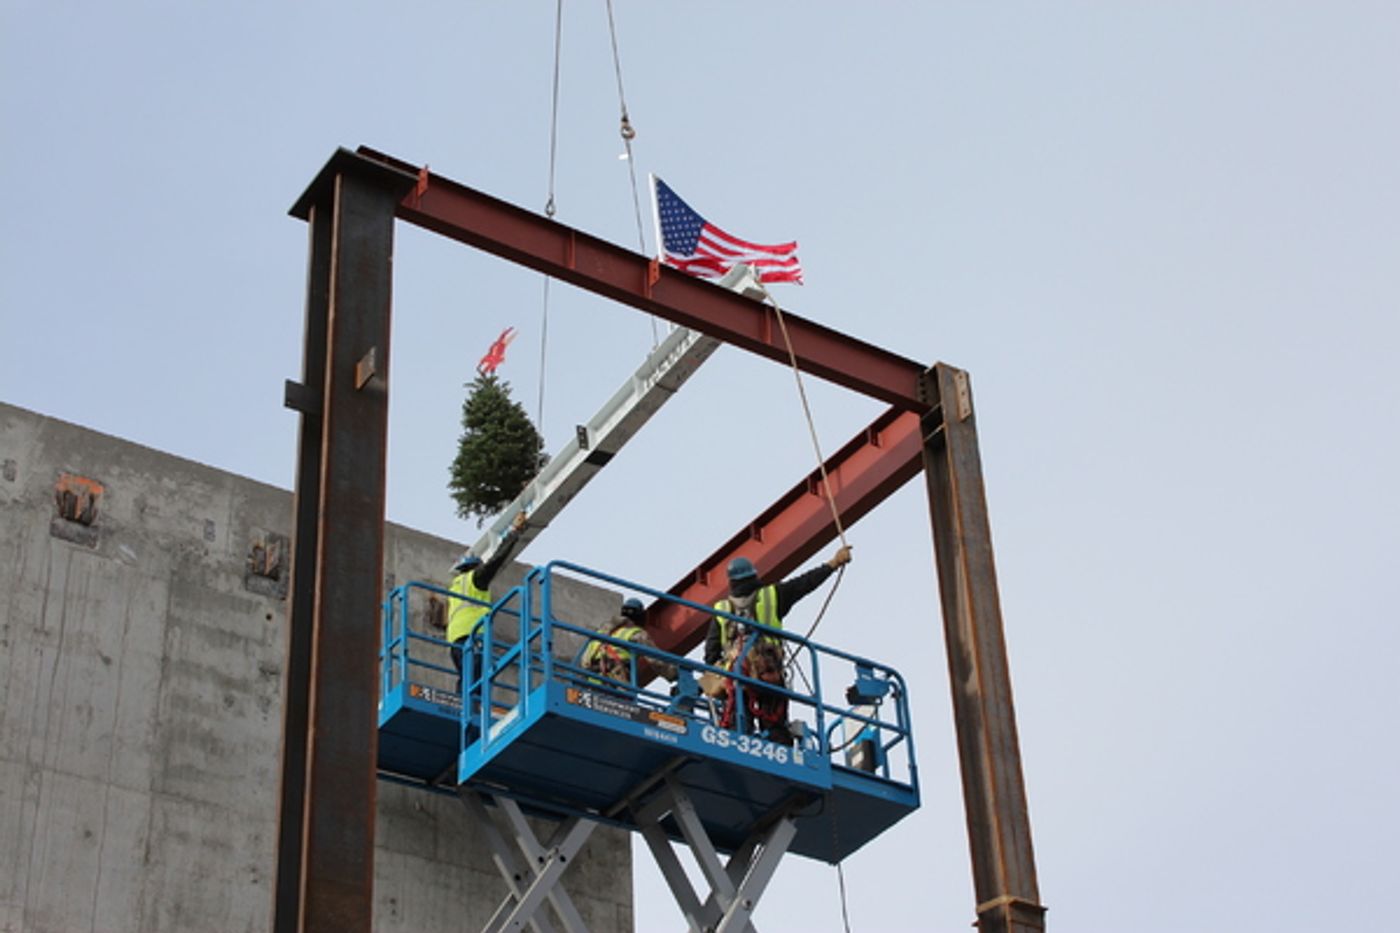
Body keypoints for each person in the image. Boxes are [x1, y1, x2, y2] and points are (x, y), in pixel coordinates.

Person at [704, 544, 853, 742]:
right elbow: (804, 583)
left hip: (737, 677)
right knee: (775, 726)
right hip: (768, 673)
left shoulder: (721, 609)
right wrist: (833, 564)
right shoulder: (772, 595)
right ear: (753, 576)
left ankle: (737, 738)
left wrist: (718, 674)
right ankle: (779, 744)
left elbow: (710, 655)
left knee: (737, 723)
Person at [447, 510, 528, 692]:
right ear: (475, 567)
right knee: (477, 676)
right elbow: (496, 560)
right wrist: (514, 533)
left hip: (455, 640)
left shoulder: (455, 586)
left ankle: (465, 708)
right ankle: (473, 709)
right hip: (473, 635)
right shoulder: (475, 579)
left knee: (467, 679)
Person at [581, 598, 677, 687]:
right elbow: (655, 659)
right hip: (615, 682)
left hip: (592, 680)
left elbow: (584, 661)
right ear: (640, 616)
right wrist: (673, 674)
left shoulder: (600, 633)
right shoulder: (635, 633)